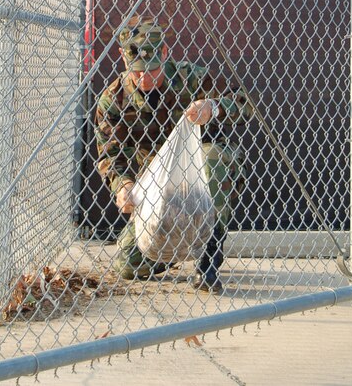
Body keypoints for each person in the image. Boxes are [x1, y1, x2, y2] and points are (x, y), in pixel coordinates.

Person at [95, 15, 253, 291]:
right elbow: (110, 156)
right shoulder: (114, 99)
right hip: (156, 191)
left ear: (165, 53)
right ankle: (174, 250)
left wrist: (213, 107)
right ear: (122, 56)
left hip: (199, 182)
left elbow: (245, 106)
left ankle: (208, 259)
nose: (145, 78)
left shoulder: (190, 78)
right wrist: (124, 186)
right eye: (137, 71)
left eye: (153, 69)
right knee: (129, 264)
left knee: (213, 156)